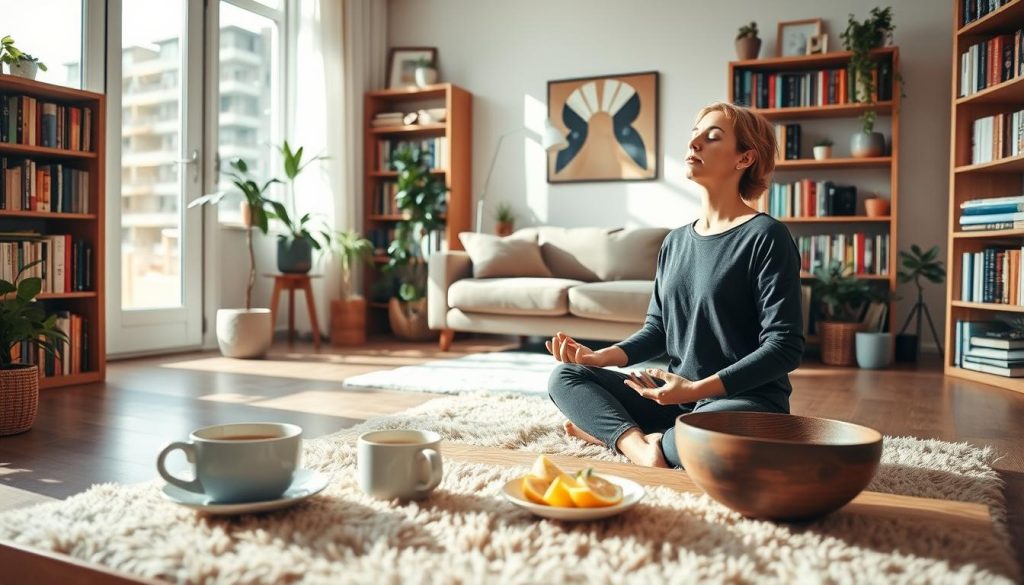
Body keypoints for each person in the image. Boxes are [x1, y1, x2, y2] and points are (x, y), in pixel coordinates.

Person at [546, 102, 804, 468]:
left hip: (744, 403)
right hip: (674, 400)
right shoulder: (675, 241)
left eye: (712, 136)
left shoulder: (767, 236)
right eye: (694, 134)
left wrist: (698, 389)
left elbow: (785, 347)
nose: (694, 143)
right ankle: (639, 446)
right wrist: (601, 357)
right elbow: (657, 330)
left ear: (744, 159)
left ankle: (614, 434)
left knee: (706, 437)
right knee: (566, 376)